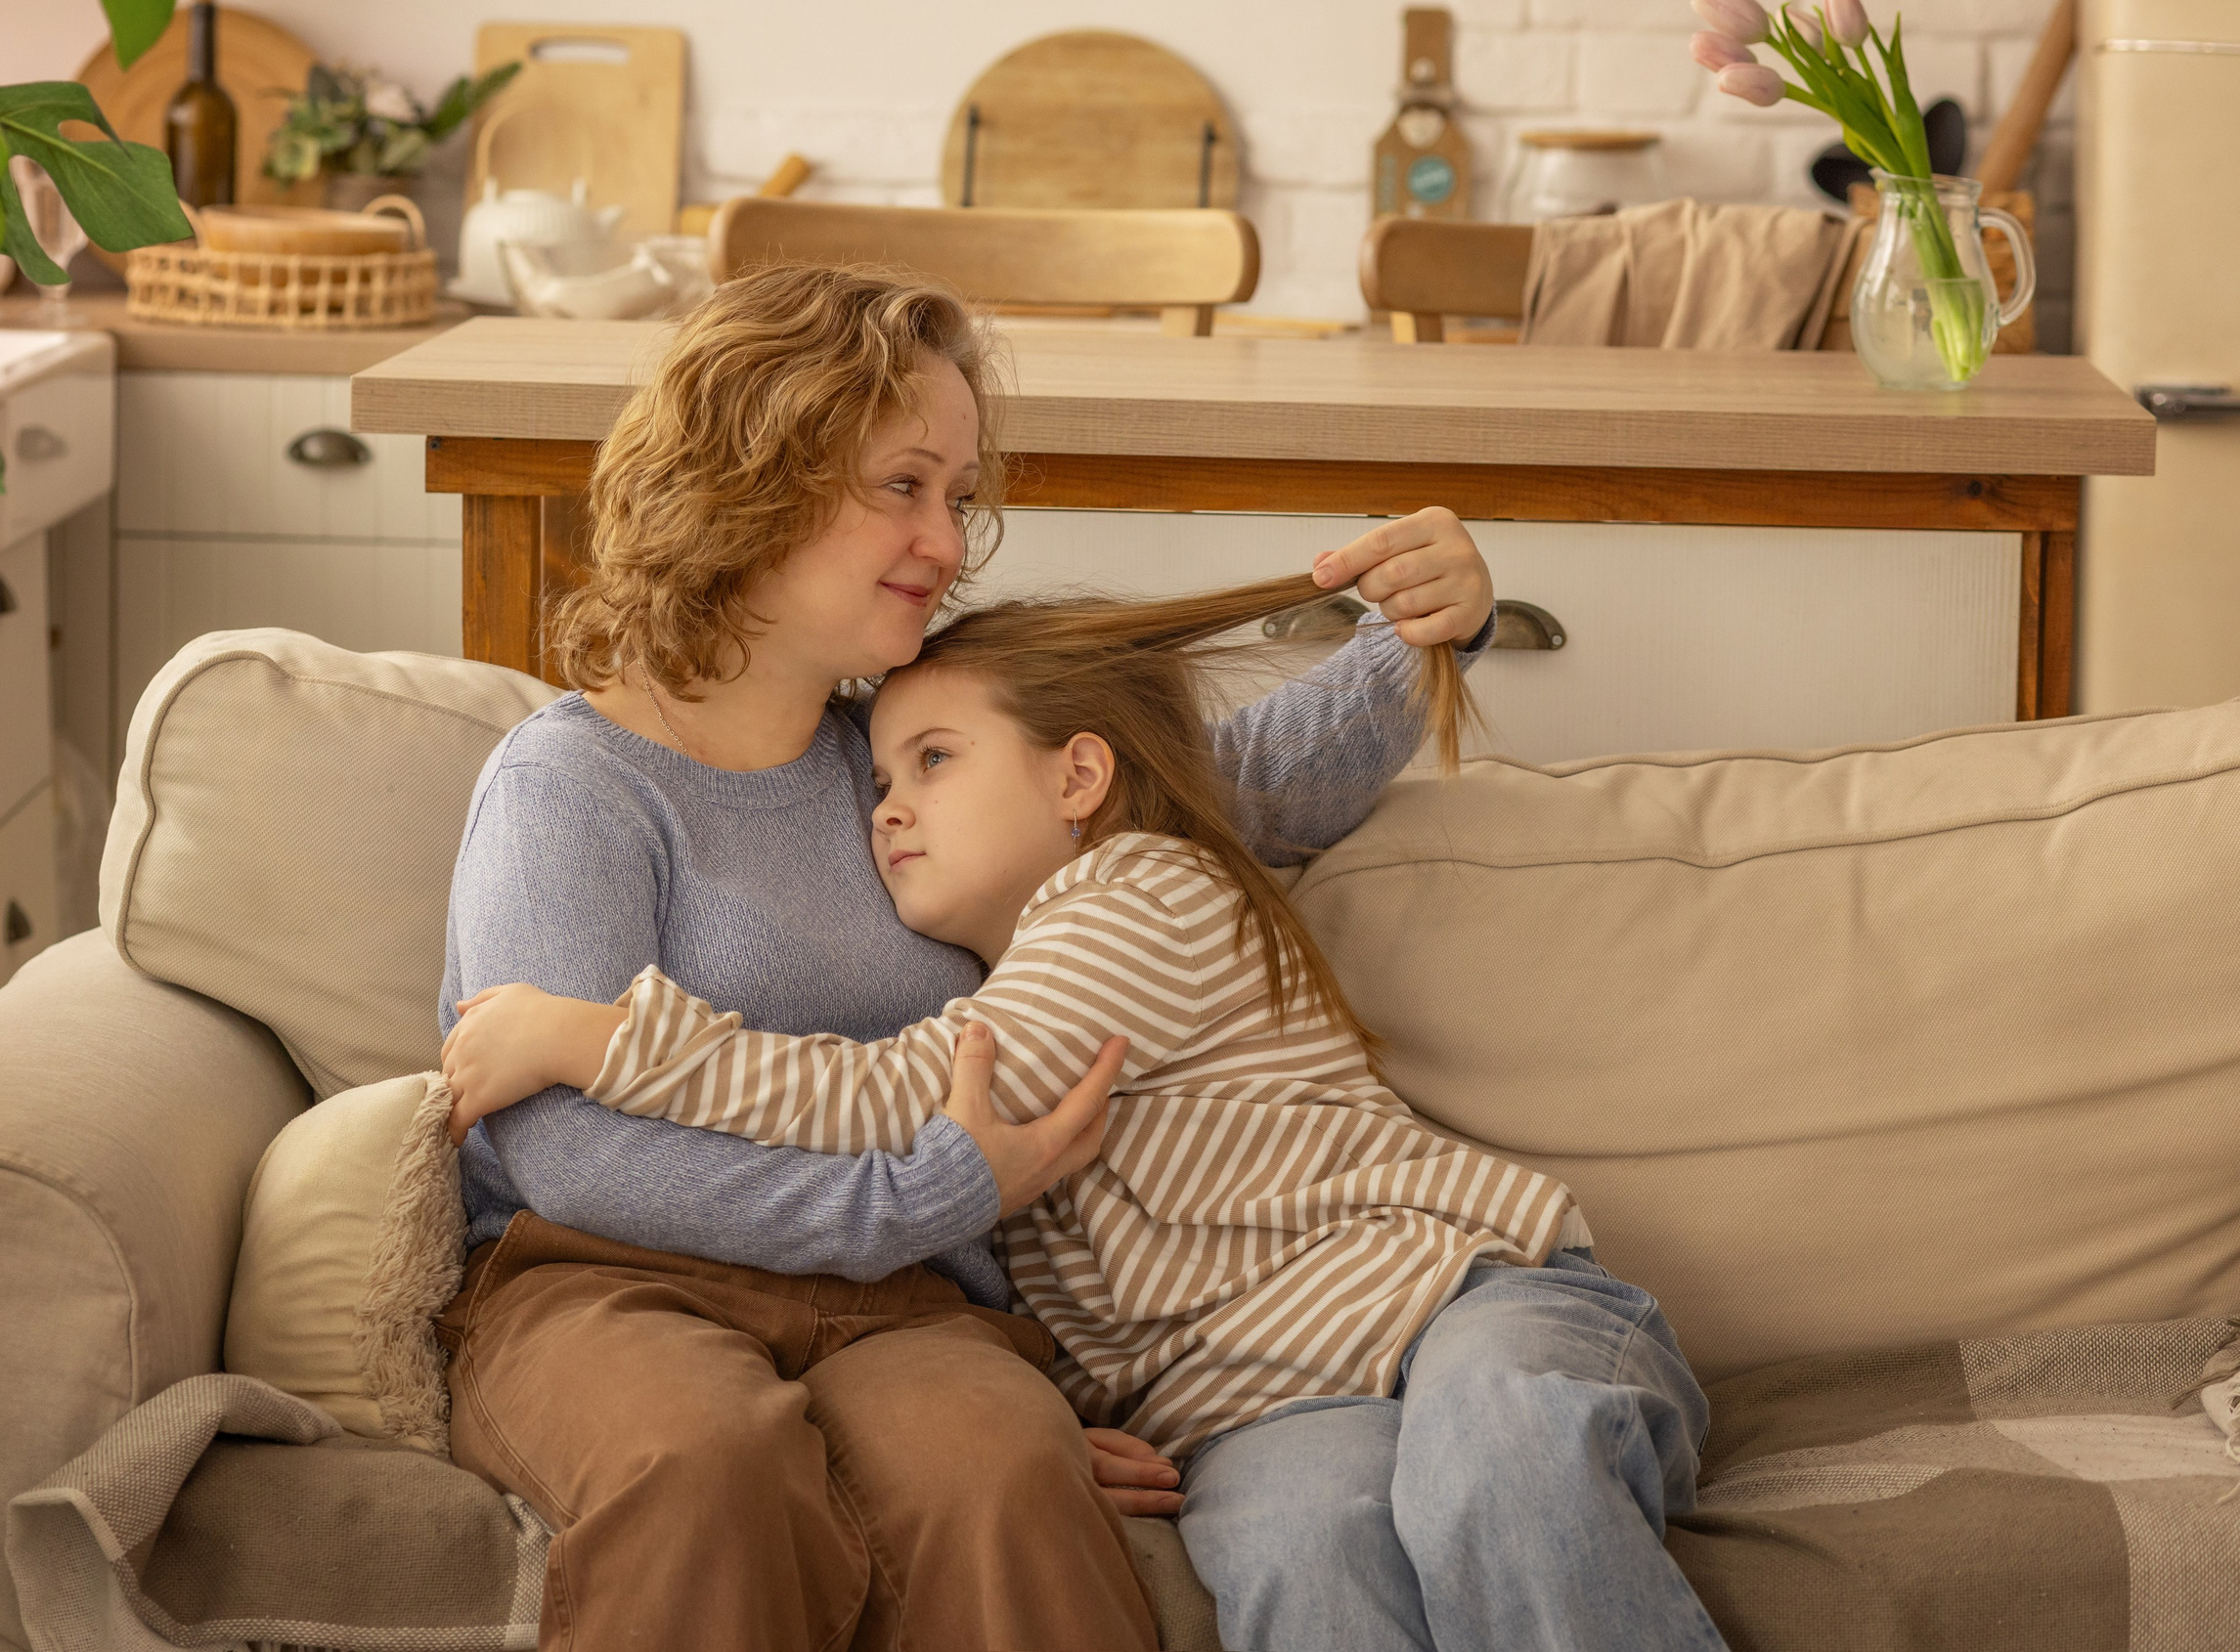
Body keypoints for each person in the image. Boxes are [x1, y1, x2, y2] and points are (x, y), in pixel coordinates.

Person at [436, 260, 1507, 1652]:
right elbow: (580, 1163)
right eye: (903, 486)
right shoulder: (572, 787)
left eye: (957, 495)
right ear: (753, 468)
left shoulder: (909, 760)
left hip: (905, 1312)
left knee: (1005, 1475)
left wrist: (1423, 624)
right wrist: (935, 1194)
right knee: (705, 1466)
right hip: (604, 1282)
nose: (948, 541)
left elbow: (1233, 785)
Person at [445, 581, 1726, 1652]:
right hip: (1258, 1412)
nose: (885, 807)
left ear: (1082, 779)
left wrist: (602, 1034)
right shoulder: (1001, 963)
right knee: (1296, 1563)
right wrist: (1062, 1407)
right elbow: (1028, 1269)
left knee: (1493, 1471)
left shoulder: (1135, 898)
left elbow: (896, 1101)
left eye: (930, 765)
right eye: (882, 778)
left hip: (1461, 1292)